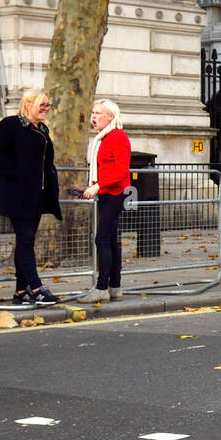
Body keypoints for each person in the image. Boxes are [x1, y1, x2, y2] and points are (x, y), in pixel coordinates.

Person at [0, 89, 63, 306]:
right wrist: (19, 174)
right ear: (28, 103)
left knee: (26, 241)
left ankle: (21, 291)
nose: (46, 109)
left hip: (37, 195)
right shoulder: (11, 124)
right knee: (26, 240)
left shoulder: (42, 128)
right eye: (42, 105)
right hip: (17, 194)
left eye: (48, 105)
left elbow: (45, 162)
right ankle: (37, 287)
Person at [80, 99, 132, 304]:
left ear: (111, 116)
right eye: (93, 112)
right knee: (110, 241)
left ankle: (102, 288)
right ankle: (115, 287)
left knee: (102, 240)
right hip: (107, 192)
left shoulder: (117, 137)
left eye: (99, 113)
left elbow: (120, 172)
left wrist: (97, 186)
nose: (94, 117)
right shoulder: (104, 137)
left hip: (115, 193)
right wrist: (91, 186)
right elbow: (106, 170)